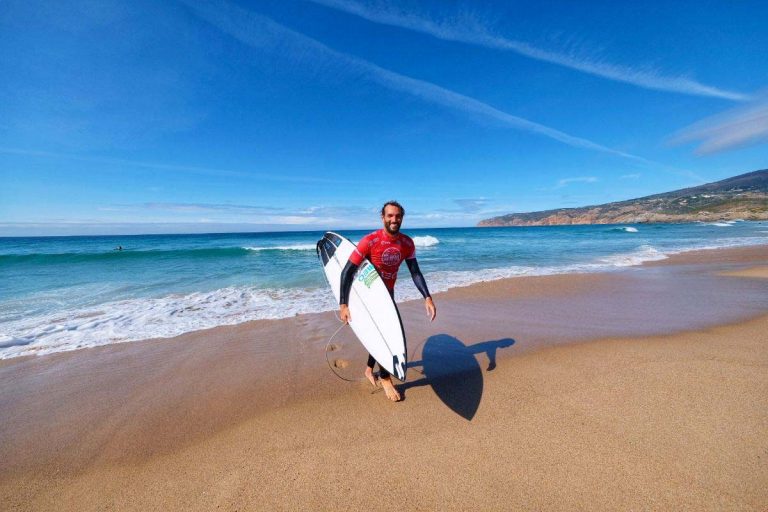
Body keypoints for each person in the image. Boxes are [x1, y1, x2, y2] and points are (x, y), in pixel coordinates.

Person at [339, 200, 436, 402]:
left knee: (380, 333)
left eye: (398, 216)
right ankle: (385, 378)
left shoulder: (407, 243)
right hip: (367, 297)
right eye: (390, 215)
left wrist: (427, 297)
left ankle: (368, 370)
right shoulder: (370, 241)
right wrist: (344, 304)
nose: (394, 219)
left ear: (402, 218)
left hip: (387, 296)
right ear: (382, 217)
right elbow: (347, 271)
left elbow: (415, 272)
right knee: (387, 334)